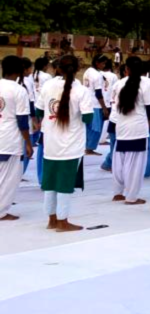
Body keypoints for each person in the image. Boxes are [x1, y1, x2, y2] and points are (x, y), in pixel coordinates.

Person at [37, 55, 94, 231]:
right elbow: (88, 117)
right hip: (71, 144)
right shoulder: (82, 90)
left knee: (50, 183)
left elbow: (39, 111)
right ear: (78, 69)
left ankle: (52, 219)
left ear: (58, 68)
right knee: (65, 184)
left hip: (50, 143)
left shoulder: (47, 85)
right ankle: (63, 221)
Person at [110, 58, 150, 205]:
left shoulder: (119, 83)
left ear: (126, 69)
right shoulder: (147, 83)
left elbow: (116, 106)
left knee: (119, 161)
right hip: (138, 128)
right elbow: (149, 107)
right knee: (135, 165)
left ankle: (118, 192)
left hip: (121, 126)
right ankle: (131, 196)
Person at [0, 56, 33, 220]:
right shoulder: (19, 90)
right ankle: (1, 211)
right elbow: (22, 121)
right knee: (8, 179)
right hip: (9, 140)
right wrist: (28, 142)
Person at [83, 56, 110, 156]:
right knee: (96, 128)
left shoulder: (87, 71)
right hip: (95, 104)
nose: (104, 66)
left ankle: (87, 146)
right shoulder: (97, 75)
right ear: (97, 63)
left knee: (89, 127)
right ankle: (90, 148)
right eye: (103, 63)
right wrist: (104, 107)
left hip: (87, 102)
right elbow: (98, 93)